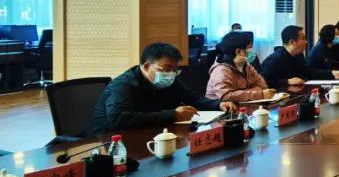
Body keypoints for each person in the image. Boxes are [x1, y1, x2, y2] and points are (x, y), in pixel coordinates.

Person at [88, 43, 238, 134]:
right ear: (147, 66)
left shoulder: (169, 79)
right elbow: (119, 119)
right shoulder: (123, 85)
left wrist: (218, 104)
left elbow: (193, 99)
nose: (171, 74)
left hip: (152, 134)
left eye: (175, 69)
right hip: (108, 142)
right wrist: (172, 115)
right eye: (166, 69)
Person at [259, 25, 339, 89]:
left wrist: (331, 73)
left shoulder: (298, 55)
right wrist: (287, 81)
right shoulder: (274, 60)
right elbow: (262, 83)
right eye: (303, 38)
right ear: (292, 42)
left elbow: (308, 72)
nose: (306, 42)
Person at [205, 31, 276, 103]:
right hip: (221, 108)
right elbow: (226, 96)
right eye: (249, 48)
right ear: (238, 51)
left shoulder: (246, 65)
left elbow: (263, 86)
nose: (252, 51)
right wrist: (259, 94)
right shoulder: (221, 70)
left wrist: (242, 94)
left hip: (244, 104)